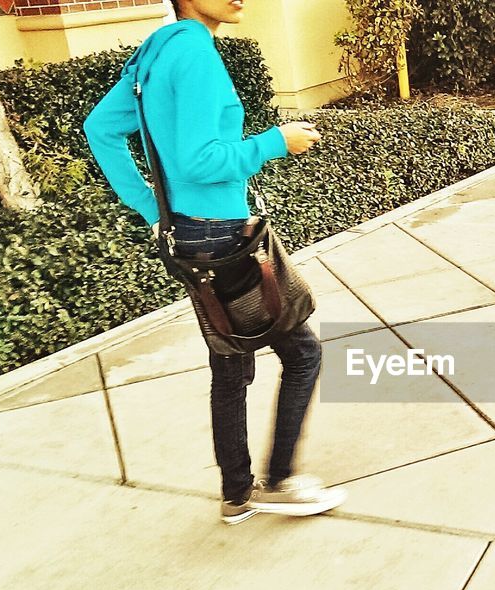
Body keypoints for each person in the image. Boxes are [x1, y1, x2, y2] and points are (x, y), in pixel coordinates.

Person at [83, 0, 346, 525]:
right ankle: (279, 481)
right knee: (303, 354)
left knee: (230, 362)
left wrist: (151, 208)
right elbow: (199, 160)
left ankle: (236, 493)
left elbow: (100, 129)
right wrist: (277, 141)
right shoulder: (196, 52)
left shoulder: (156, 52)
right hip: (224, 236)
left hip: (189, 233)